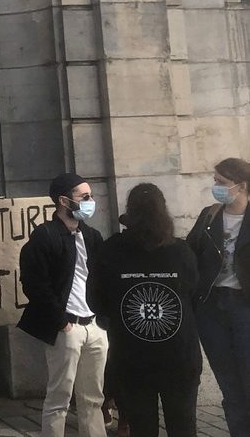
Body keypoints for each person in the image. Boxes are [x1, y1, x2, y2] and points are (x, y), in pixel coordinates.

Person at [90, 183, 200, 437]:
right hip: (179, 355)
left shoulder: (111, 250)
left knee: (141, 427)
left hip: (131, 355)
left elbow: (96, 301)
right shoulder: (181, 251)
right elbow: (194, 294)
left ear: (130, 212)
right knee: (184, 425)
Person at [17, 172, 108, 437]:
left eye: (91, 195)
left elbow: (101, 279)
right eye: (84, 197)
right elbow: (35, 285)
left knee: (93, 399)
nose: (91, 201)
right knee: (59, 398)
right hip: (66, 327)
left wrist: (103, 322)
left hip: (94, 326)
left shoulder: (92, 236)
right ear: (64, 201)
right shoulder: (45, 236)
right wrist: (62, 323)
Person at [187, 157, 250, 435]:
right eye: (215, 181)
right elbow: (188, 257)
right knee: (229, 384)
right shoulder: (209, 215)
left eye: (221, 183)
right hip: (213, 308)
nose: (216, 187)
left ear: (242, 185)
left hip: (245, 307)